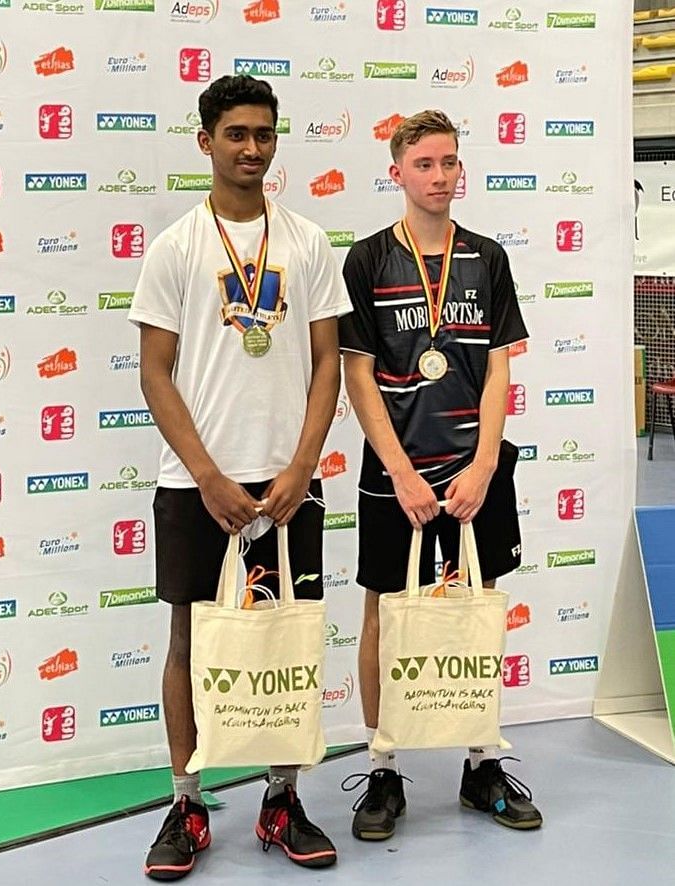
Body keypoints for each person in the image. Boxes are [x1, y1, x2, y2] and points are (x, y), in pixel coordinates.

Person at [128, 74, 352, 880]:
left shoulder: (308, 243)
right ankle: (186, 800)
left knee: (286, 639)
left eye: (263, 134)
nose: (251, 148)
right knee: (190, 637)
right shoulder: (176, 247)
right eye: (235, 135)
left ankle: (282, 798)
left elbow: (328, 361)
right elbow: (156, 373)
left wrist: (301, 465)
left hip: (288, 481)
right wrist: (207, 474)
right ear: (206, 142)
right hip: (199, 485)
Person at [337, 109, 543, 840]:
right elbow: (356, 375)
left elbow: (496, 365)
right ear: (395, 172)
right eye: (423, 164)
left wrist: (485, 462)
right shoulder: (365, 259)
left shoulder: (486, 257)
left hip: (471, 470)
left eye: (448, 162)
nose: (438, 176)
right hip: (397, 473)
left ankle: (481, 763)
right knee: (380, 615)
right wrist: (398, 470)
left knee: (477, 612)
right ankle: (383, 769)